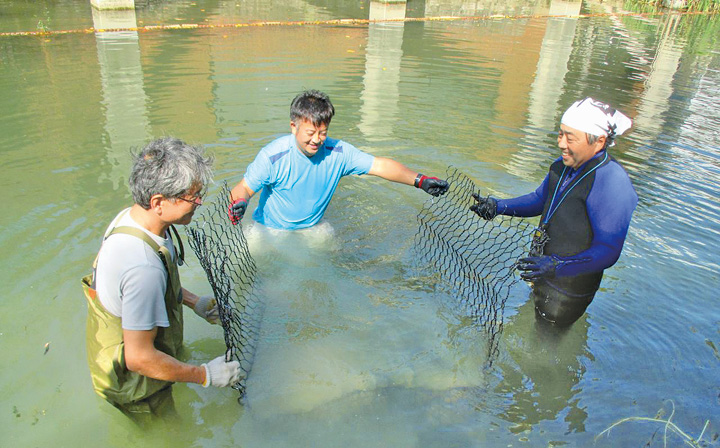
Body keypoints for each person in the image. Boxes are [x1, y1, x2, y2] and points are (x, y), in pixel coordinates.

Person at [82, 137, 241, 416]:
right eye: (193, 197)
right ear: (158, 202)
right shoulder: (142, 267)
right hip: (133, 382)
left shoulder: (138, 219)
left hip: (143, 345)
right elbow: (140, 358)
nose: (200, 202)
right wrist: (205, 375)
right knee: (169, 442)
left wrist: (194, 302)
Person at [470, 97, 638, 327]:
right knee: (527, 322)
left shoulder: (612, 183)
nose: (561, 143)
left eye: (571, 138)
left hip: (568, 290)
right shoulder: (563, 165)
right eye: (561, 134)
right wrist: (499, 206)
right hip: (543, 272)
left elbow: (609, 250)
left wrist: (559, 265)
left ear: (599, 142)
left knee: (545, 342)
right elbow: (540, 200)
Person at [227, 89, 449, 230]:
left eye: (322, 133)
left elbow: (379, 166)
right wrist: (240, 203)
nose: (317, 140)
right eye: (310, 133)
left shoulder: (337, 152)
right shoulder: (273, 156)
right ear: (293, 127)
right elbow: (243, 188)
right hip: (269, 230)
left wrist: (420, 180)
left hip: (313, 229)